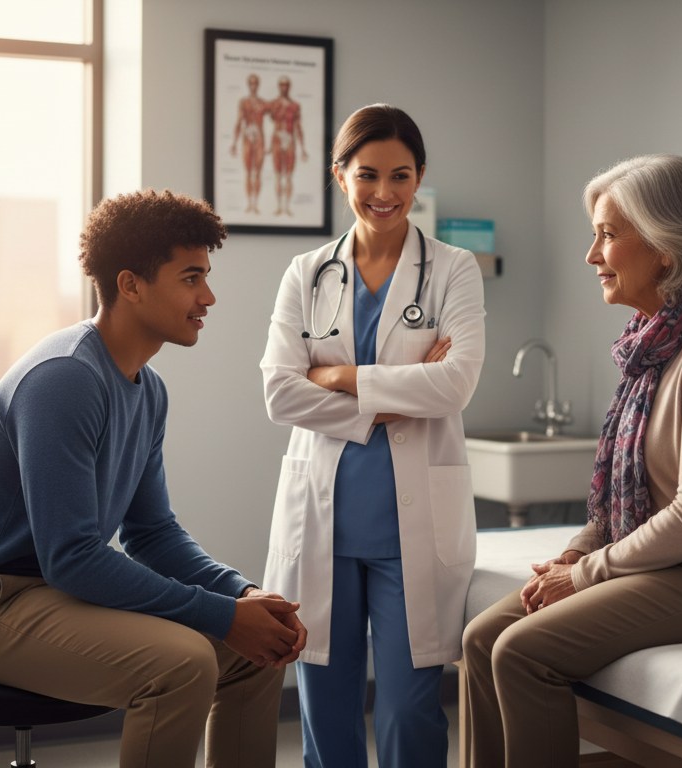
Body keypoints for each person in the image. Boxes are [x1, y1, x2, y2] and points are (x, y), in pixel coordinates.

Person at [0, 189, 305, 768]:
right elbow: (71, 557)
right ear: (130, 285)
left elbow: (152, 533)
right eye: (191, 278)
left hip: (53, 593)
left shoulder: (147, 390)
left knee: (251, 653)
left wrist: (241, 595)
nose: (208, 296)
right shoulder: (65, 379)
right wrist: (220, 615)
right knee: (185, 662)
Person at [461, 154, 682, 768]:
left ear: (668, 248)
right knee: (482, 638)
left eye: (608, 235)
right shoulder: (651, 347)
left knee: (522, 653)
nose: (592, 255)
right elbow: (624, 494)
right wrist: (577, 551)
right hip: (677, 566)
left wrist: (586, 576)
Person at [260, 103, 486, 768]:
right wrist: (394, 392)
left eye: (400, 175)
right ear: (339, 176)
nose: (383, 193)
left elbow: (457, 385)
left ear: (420, 178)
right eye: (367, 175)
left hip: (409, 528)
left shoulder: (454, 269)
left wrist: (335, 376)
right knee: (324, 706)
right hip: (323, 522)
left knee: (409, 710)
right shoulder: (306, 273)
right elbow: (278, 392)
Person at [268, 75, 309, 216]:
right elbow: (268, 123)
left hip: (290, 140)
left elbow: (298, 126)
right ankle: (279, 206)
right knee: (279, 175)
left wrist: (303, 148)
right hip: (278, 139)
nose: (284, 88)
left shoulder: (295, 106)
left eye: (286, 85)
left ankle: (286, 206)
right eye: (282, 85)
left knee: (289, 176)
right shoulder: (274, 104)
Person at [231, 73, 269, 213]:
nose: (253, 85)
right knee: (248, 172)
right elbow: (239, 122)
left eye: (255, 82)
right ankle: (250, 203)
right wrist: (234, 143)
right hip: (247, 137)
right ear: (249, 84)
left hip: (259, 137)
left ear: (257, 84)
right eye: (251, 82)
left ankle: (255, 203)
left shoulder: (263, 103)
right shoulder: (244, 102)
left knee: (257, 172)